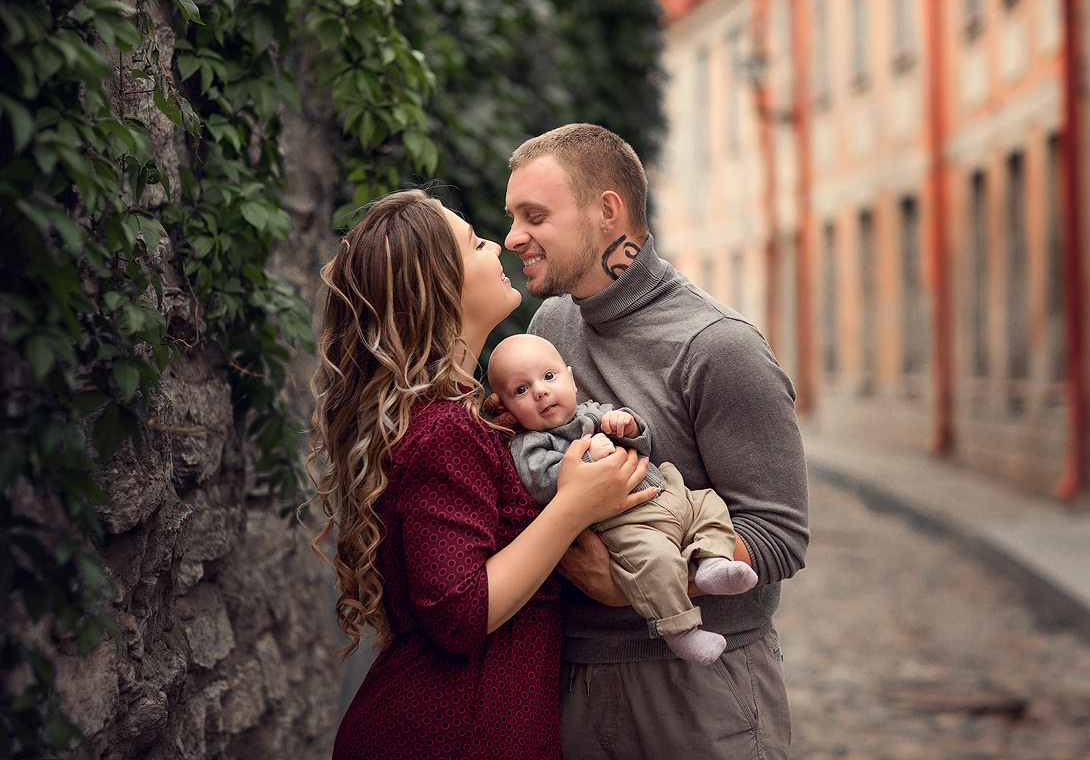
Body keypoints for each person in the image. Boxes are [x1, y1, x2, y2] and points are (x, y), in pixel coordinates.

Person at [305, 189, 656, 760]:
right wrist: (573, 506)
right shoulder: (445, 426)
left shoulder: (466, 412)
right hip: (453, 729)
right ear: (440, 285)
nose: (497, 243)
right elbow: (459, 612)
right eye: (474, 242)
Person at [504, 124, 810, 759]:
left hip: (700, 694)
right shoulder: (548, 329)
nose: (513, 238)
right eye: (512, 218)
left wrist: (631, 583)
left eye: (535, 216)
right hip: (572, 681)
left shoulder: (719, 347)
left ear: (607, 211)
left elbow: (780, 535)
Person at [486, 333, 759, 666]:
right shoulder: (530, 445)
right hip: (626, 524)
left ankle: (712, 561)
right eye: (521, 390)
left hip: (668, 494)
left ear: (571, 380)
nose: (540, 391)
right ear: (507, 408)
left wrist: (628, 426)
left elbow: (644, 443)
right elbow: (542, 483)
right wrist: (589, 460)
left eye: (548, 377)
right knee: (655, 563)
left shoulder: (593, 413)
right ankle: (680, 630)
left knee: (709, 503)